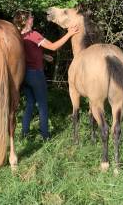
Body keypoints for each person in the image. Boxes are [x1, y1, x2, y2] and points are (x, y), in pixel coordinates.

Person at [13, 9, 80, 140]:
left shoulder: (19, 36)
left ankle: (24, 134)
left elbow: (26, 52)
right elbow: (53, 46)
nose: (33, 18)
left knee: (30, 103)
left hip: (24, 75)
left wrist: (42, 55)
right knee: (43, 104)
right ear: (26, 21)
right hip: (36, 75)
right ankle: (45, 135)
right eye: (31, 17)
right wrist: (69, 34)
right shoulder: (33, 34)